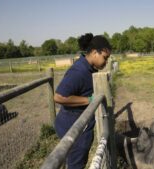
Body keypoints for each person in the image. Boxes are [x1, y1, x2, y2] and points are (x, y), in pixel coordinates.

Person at [54, 33, 112, 169]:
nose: (106, 62)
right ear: (94, 52)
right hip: (73, 128)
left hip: (77, 126)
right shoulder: (79, 71)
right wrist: (90, 100)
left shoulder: (89, 69)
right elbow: (59, 97)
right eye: (105, 57)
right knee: (76, 165)